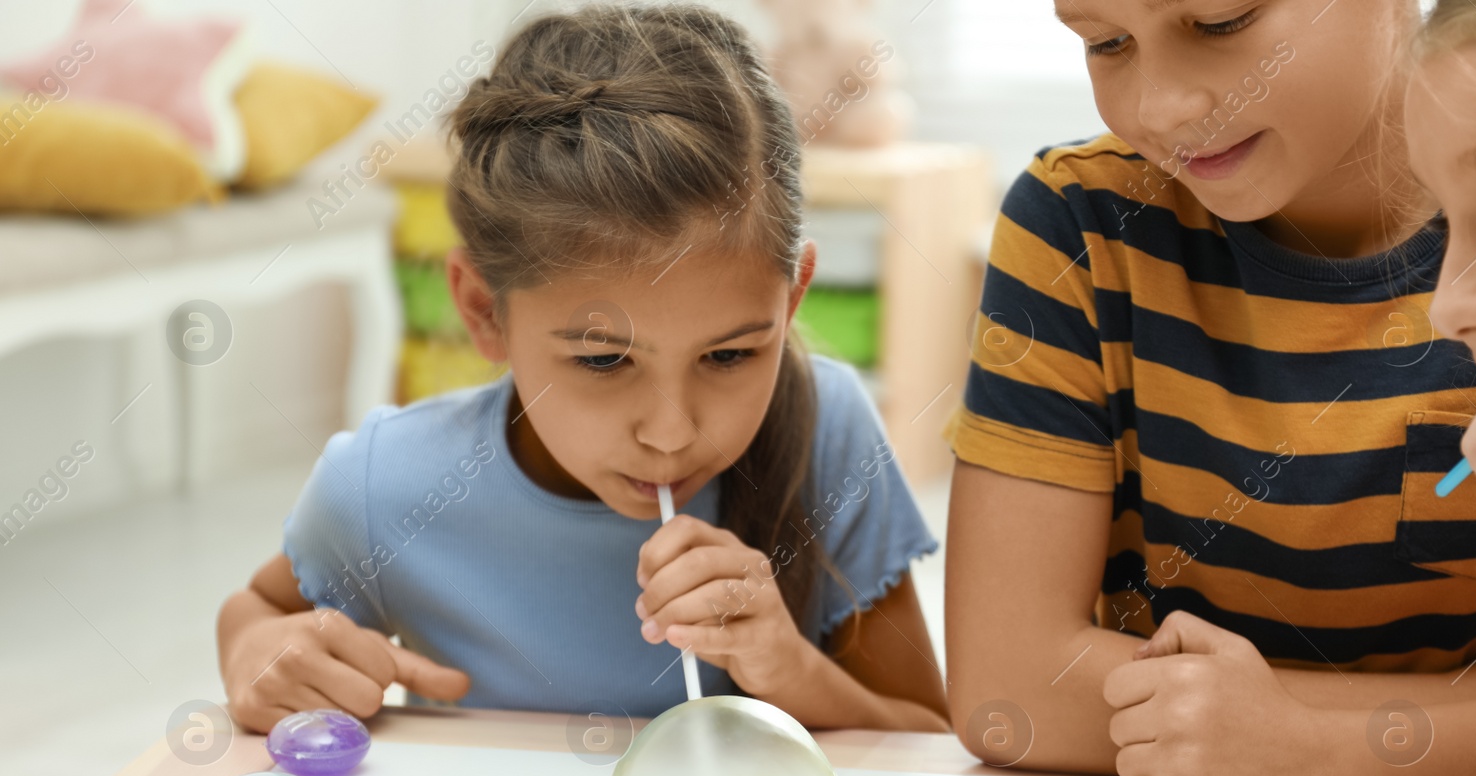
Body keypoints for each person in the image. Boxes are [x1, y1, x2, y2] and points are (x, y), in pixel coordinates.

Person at [944, 0, 1476, 776]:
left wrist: (1319, 760)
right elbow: (1011, 690)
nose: (1161, 107)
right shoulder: (1083, 222)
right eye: (1105, 43)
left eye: (1222, 21)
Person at [216, 4, 947, 735]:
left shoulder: (830, 434)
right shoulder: (383, 485)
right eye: (603, 359)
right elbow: (258, 612)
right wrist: (257, 654)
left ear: (792, 299)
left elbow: (926, 742)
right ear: (483, 311)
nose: (670, 432)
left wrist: (789, 671)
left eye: (728, 354)